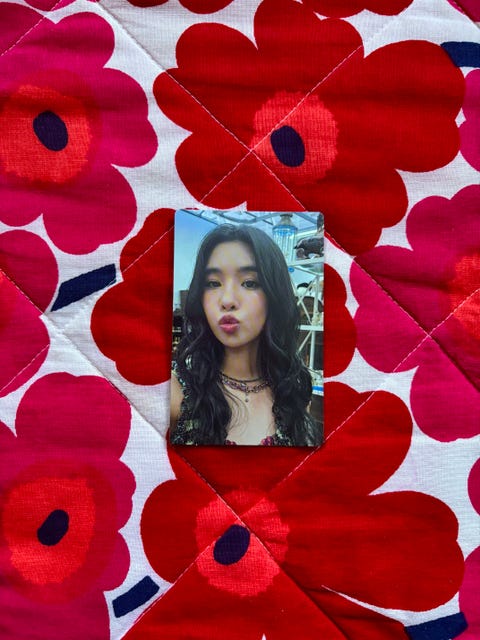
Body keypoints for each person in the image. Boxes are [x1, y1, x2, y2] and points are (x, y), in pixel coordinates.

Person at [169, 223, 320, 446]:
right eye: (213, 283)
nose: (227, 300)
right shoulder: (175, 394)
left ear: (274, 295)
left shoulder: (295, 391)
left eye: (249, 283)